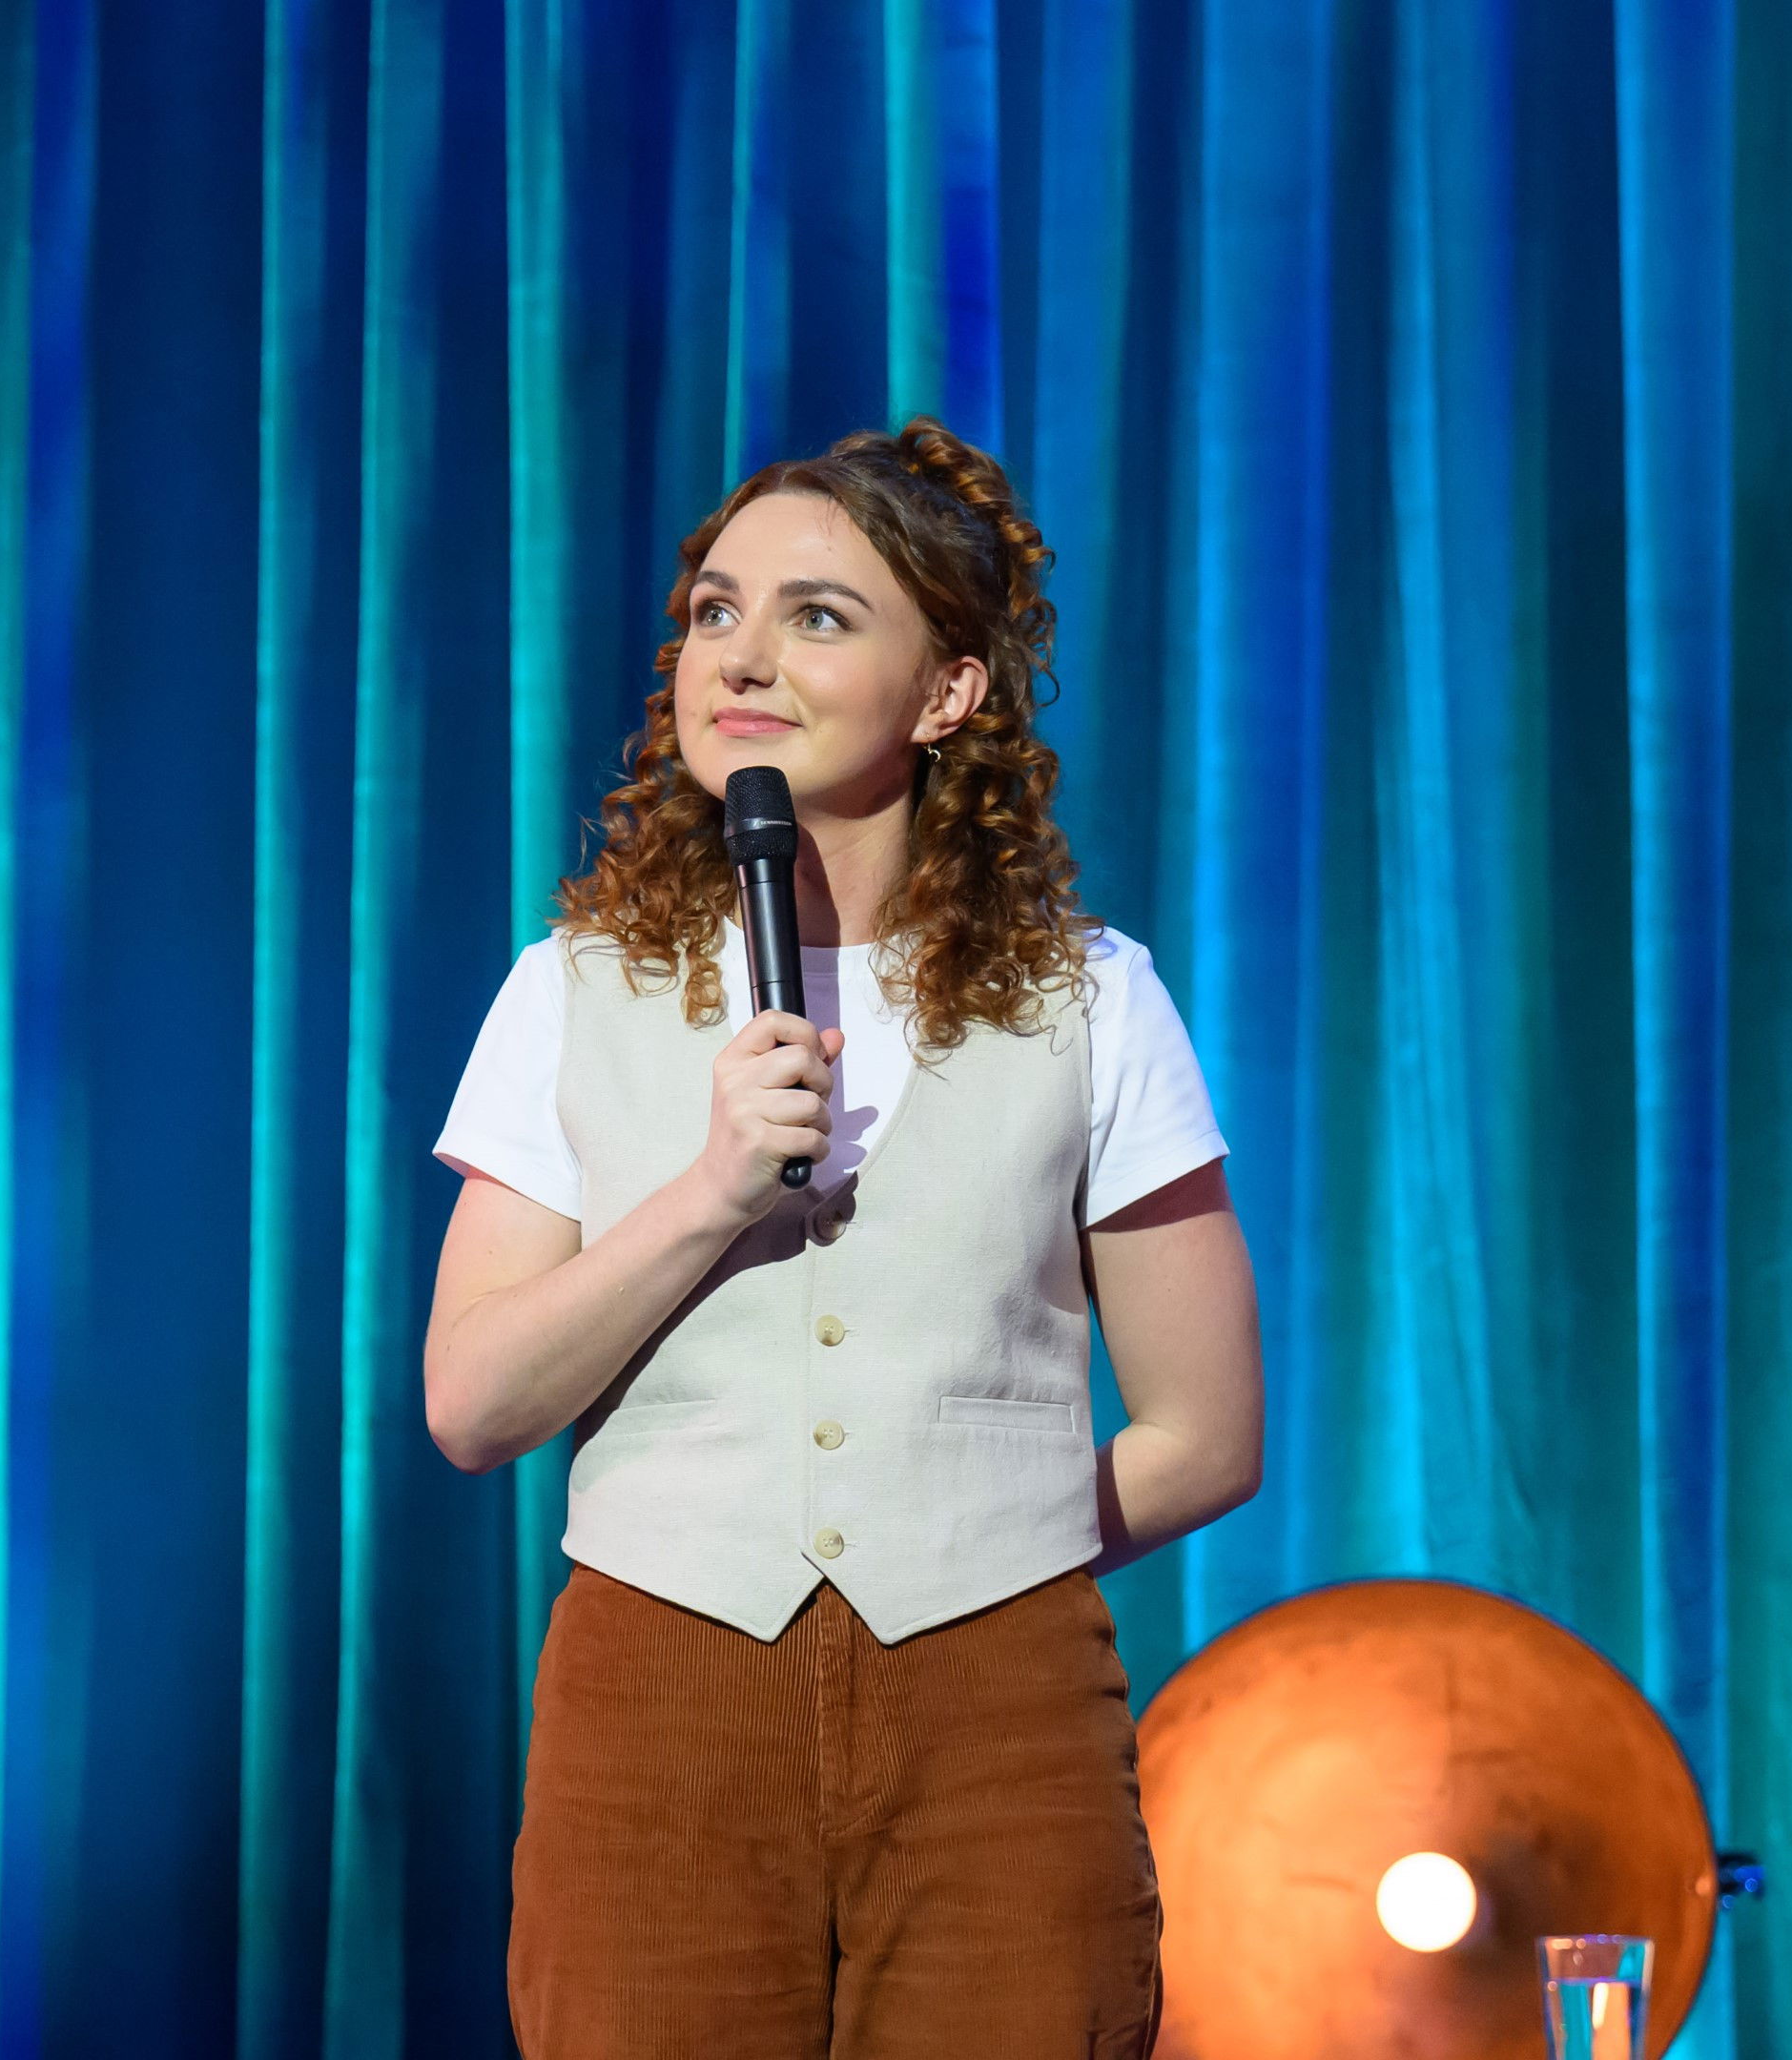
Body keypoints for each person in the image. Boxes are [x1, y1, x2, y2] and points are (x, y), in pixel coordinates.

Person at [423, 421, 1265, 2059]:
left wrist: (975, 1547)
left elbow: (1205, 1434)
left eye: (817, 616)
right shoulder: (572, 990)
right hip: (662, 1689)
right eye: (714, 611)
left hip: (997, 1708)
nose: (740, 656)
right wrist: (706, 1193)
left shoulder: (1092, 999)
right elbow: (472, 1404)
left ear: (946, 693)